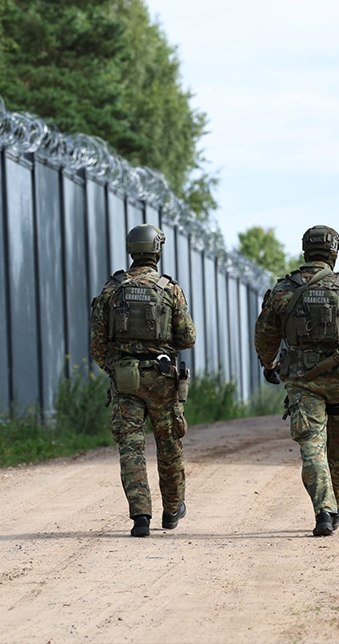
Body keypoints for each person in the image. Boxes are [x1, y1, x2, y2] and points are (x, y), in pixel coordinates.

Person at [254, 225, 339, 537]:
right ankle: (336, 501)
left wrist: (269, 364)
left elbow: (265, 336)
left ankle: (324, 510)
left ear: (304, 251)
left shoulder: (283, 290)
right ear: (334, 252)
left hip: (301, 380)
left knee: (312, 445)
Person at [90, 224, 197, 537]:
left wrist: (114, 368)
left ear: (131, 250)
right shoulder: (169, 288)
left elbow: (97, 344)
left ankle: (141, 517)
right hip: (162, 379)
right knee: (169, 445)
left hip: (125, 381)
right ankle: (173, 509)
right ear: (157, 251)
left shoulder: (113, 288)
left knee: (131, 448)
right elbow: (188, 337)